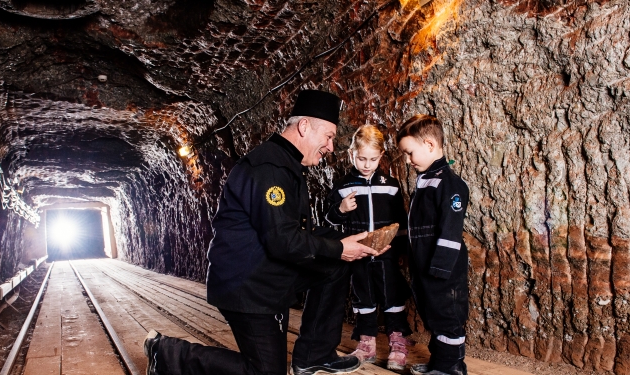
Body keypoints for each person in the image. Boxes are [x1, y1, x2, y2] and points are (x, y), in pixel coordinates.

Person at [143, 90, 387, 375]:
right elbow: (283, 241)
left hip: (270, 272)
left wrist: (348, 243)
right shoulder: (270, 169)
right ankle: (167, 353)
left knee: (336, 265)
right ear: (304, 127)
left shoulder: (287, 163)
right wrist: (340, 248)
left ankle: (313, 355)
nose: (331, 147)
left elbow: (299, 231)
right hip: (247, 284)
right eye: (329, 136)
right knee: (265, 372)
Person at [325, 124, 413, 370]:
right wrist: (341, 210)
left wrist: (402, 250)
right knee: (363, 296)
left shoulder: (391, 185)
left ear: (381, 156)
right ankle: (367, 343)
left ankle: (397, 343)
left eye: (373, 159)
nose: (366, 164)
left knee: (392, 295)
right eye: (361, 158)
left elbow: (400, 221)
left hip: (386, 253)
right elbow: (330, 222)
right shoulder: (343, 186)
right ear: (351, 153)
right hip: (359, 254)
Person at [396, 115, 470, 375]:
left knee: (448, 317)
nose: (408, 160)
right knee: (434, 316)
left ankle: (451, 367)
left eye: (409, 153)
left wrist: (440, 269)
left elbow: (451, 229)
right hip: (425, 266)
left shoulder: (451, 185)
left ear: (429, 144)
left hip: (443, 269)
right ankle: (439, 363)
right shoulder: (425, 181)